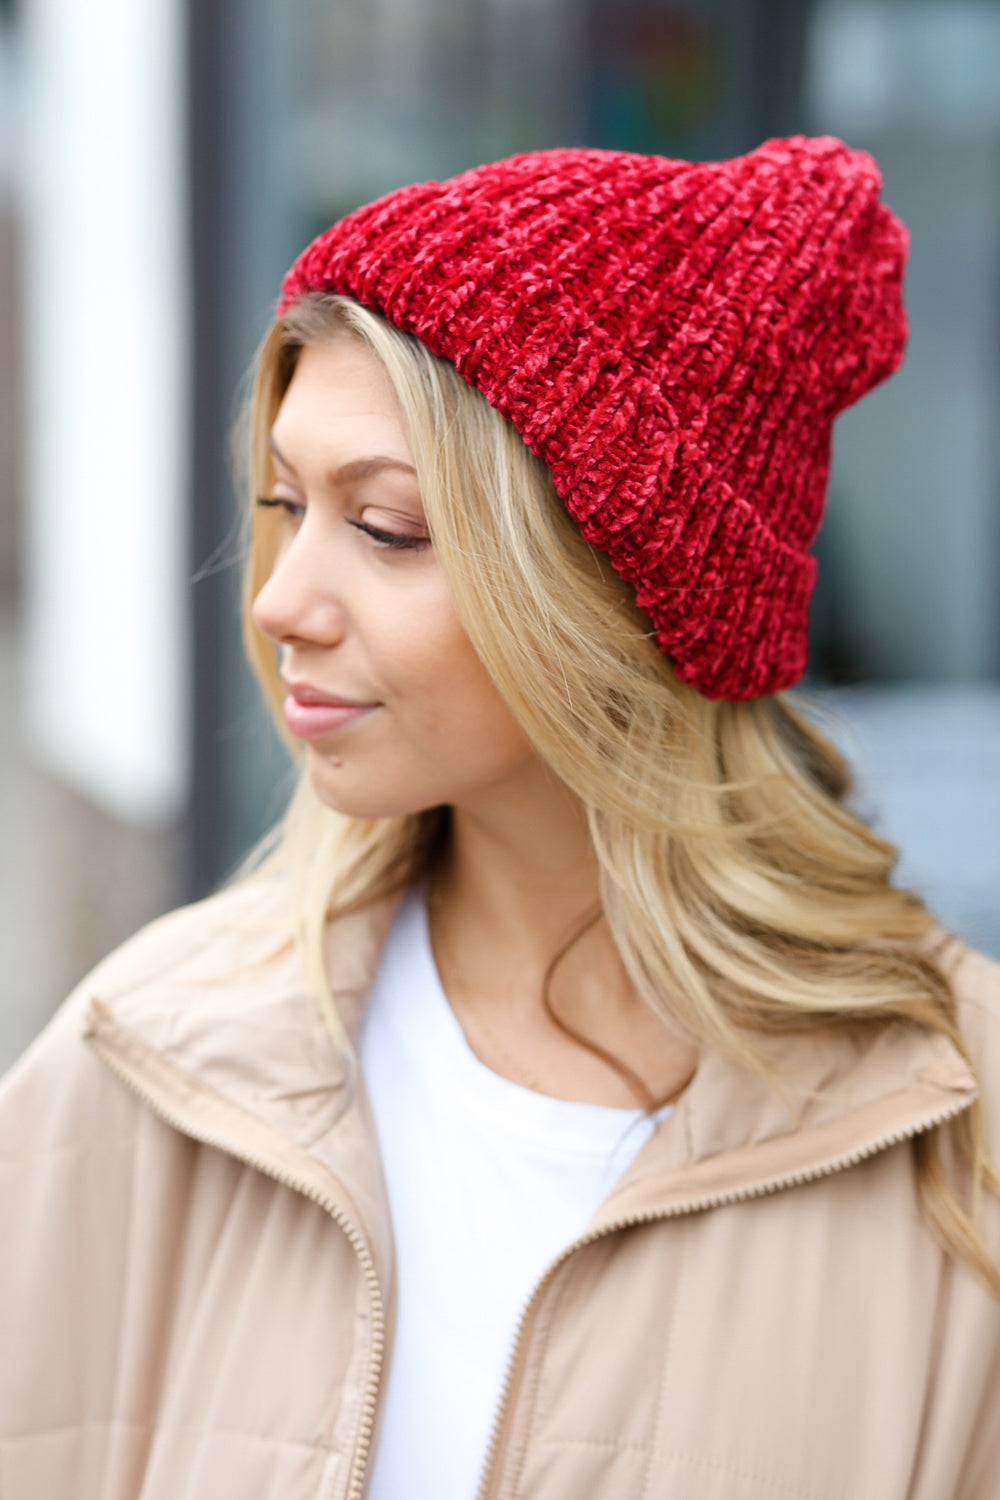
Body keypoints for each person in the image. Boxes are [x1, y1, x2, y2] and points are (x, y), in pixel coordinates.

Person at [2, 136, 999, 1500]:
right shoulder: (145, 1066)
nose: (282, 597)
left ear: (619, 596)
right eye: (288, 507)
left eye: (391, 528)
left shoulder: (958, 1139)